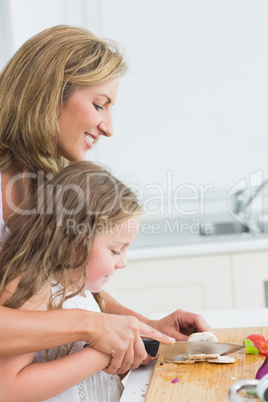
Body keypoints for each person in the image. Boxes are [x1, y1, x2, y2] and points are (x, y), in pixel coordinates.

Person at [0, 24, 211, 376]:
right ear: (48, 95)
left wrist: (145, 327)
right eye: (99, 105)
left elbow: (63, 284)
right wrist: (91, 326)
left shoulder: (47, 185)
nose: (108, 127)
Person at [0, 160, 148, 401]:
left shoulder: (80, 290)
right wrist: (103, 354)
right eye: (115, 250)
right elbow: (8, 388)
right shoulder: (31, 287)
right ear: (74, 240)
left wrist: (129, 352)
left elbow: (87, 382)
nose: (123, 263)